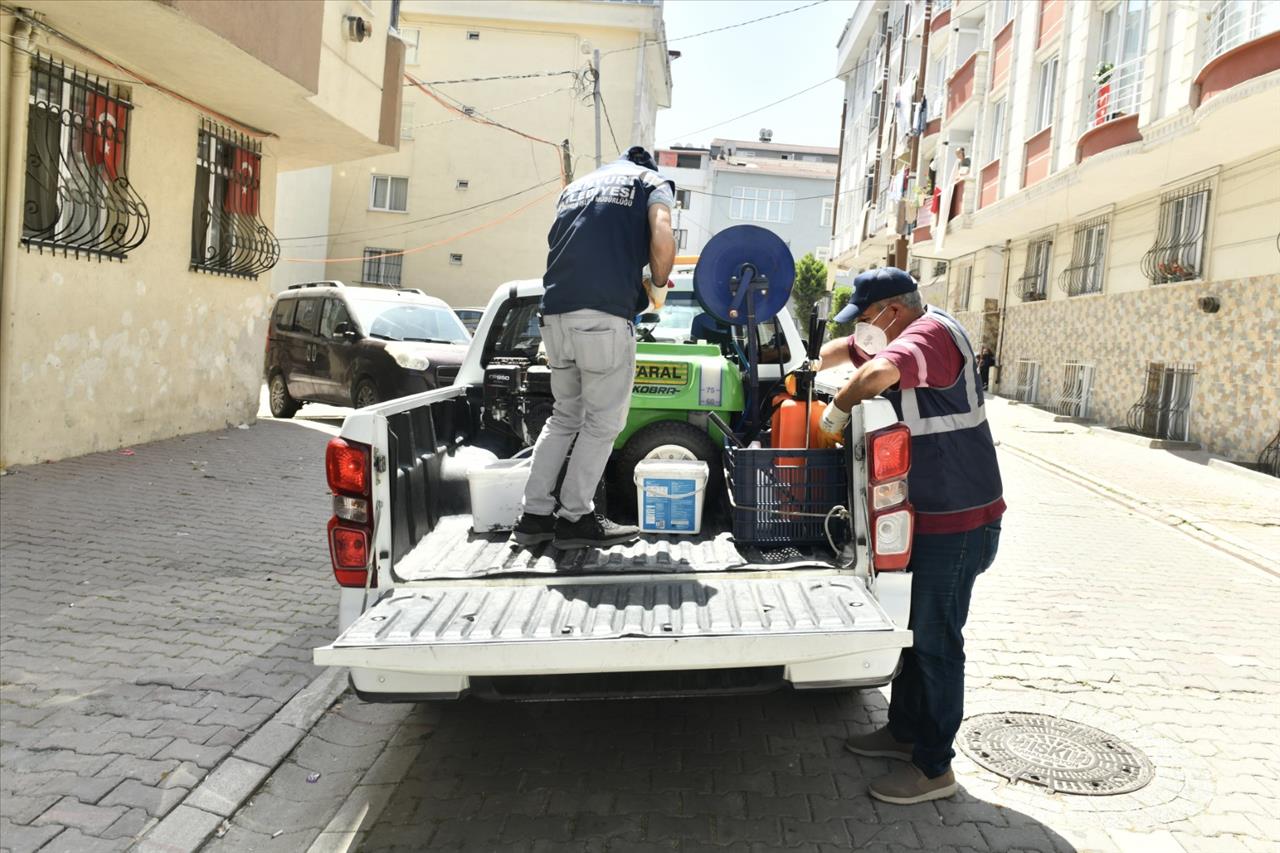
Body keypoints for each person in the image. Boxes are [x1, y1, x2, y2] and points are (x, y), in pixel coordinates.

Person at [815, 267, 1005, 805]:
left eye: (868, 318)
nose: (863, 330)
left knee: (937, 642)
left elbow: (874, 376)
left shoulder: (929, 338)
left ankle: (934, 768)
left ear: (892, 312)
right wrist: (805, 367)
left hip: (960, 521)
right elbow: (845, 351)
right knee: (914, 634)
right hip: (930, 515)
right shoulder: (900, 330)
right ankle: (903, 733)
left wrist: (835, 411)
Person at [512, 147, 676, 549]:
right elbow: (662, 231)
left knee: (565, 415)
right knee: (603, 423)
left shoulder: (576, 188)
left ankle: (533, 516)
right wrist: (657, 281)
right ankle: (575, 518)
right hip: (601, 318)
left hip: (554, 314)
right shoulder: (649, 181)